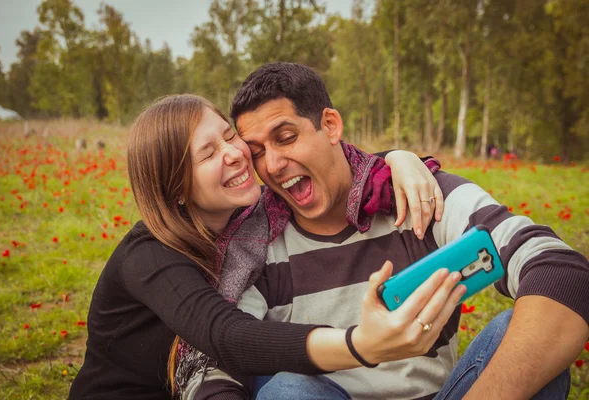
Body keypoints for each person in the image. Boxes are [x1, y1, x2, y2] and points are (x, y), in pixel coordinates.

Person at [189, 62, 589, 400]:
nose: (272, 165)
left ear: (330, 125)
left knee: (523, 340)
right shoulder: (256, 244)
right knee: (288, 390)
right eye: (256, 152)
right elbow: (224, 347)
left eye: (286, 137)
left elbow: (563, 272)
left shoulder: (422, 196)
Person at [68, 94, 449, 400]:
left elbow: (335, 169)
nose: (234, 153)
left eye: (228, 136)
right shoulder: (150, 256)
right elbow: (228, 337)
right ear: (176, 190)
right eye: (207, 153)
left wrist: (399, 159)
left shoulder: (251, 218)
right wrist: (361, 345)